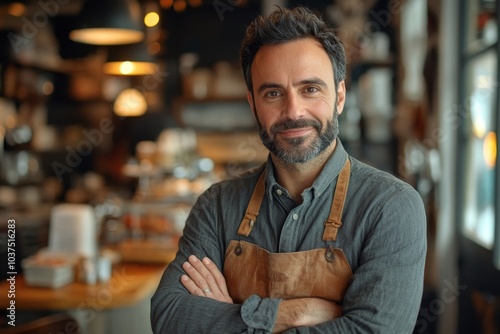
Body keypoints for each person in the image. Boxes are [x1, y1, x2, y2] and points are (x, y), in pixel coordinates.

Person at [151, 6, 426, 333]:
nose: (293, 111)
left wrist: (231, 314)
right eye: (273, 93)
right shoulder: (216, 205)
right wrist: (294, 314)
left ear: (339, 96)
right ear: (253, 105)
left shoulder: (391, 207)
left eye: (310, 89)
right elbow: (169, 317)